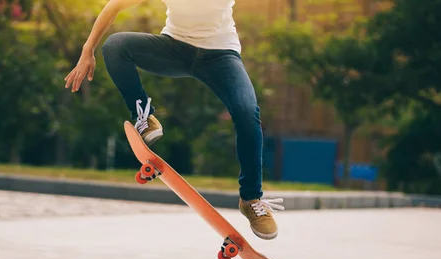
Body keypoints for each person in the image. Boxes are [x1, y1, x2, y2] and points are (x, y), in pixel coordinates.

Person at [64, 0, 284, 239]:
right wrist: (87, 51)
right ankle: (143, 117)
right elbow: (114, 5)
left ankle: (251, 199)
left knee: (247, 112)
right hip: (175, 49)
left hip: (221, 55)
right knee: (116, 45)